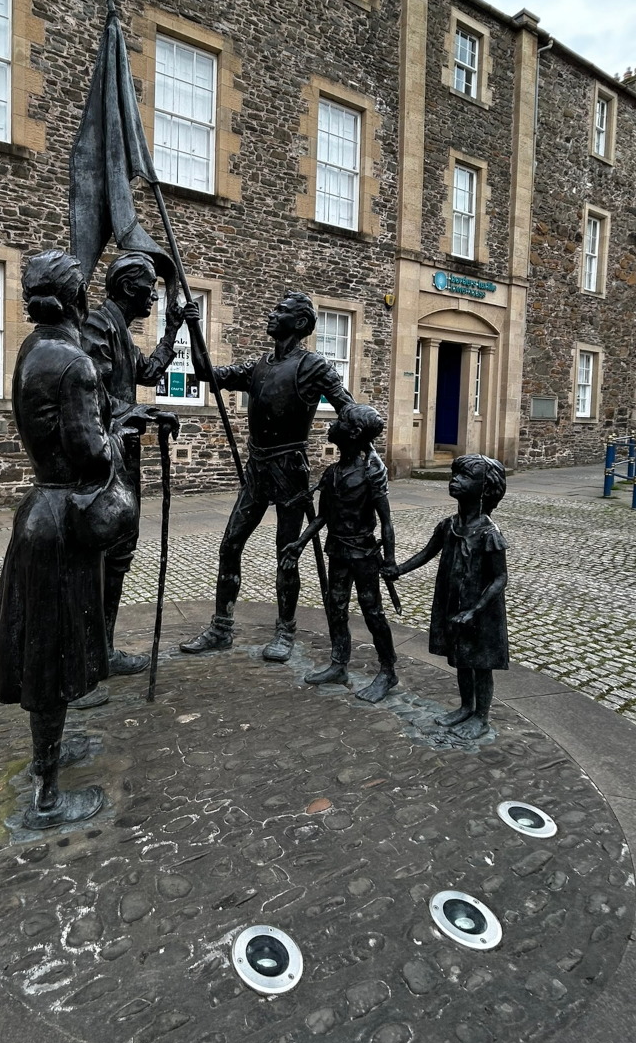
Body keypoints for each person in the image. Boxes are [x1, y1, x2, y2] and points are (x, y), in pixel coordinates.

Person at [0, 250, 138, 828]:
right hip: (63, 517)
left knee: (45, 645)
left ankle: (45, 756)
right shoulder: (75, 363)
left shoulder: (33, 350)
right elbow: (91, 451)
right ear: (75, 299)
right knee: (50, 653)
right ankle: (48, 794)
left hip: (41, 510)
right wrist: (123, 432)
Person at [180, 291, 353, 663]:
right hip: (257, 470)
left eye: (281, 311)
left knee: (286, 553)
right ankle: (221, 627)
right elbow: (207, 374)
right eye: (274, 308)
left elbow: (351, 412)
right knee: (230, 545)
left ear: (301, 324)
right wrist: (194, 328)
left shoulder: (314, 367)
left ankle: (285, 631)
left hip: (289, 472)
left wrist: (352, 463)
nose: (272, 314)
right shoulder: (258, 366)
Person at [83, 252, 191, 678]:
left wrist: (172, 329)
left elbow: (147, 373)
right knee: (105, 556)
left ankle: (103, 648)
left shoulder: (121, 332)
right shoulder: (97, 327)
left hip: (124, 458)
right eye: (150, 291)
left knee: (121, 555)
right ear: (129, 288)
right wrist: (146, 415)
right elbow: (95, 398)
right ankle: (92, 651)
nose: (152, 298)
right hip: (103, 461)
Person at [382, 455, 509, 739]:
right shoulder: (448, 526)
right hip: (454, 603)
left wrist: (475, 610)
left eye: (464, 477)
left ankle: (481, 716)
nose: (455, 481)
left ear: (485, 489)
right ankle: (466, 707)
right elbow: (427, 554)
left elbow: (501, 578)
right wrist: (398, 570)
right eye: (455, 475)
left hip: (480, 611)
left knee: (481, 663)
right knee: (461, 658)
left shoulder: (489, 533)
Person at [281, 403, 399, 702]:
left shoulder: (371, 474)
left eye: (341, 421)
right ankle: (338, 662)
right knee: (336, 607)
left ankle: (387, 671)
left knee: (372, 612)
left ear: (354, 433)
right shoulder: (332, 473)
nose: (332, 424)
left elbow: (386, 521)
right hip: (338, 551)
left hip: (363, 553)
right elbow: (322, 517)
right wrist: (299, 543)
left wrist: (390, 560)